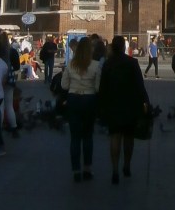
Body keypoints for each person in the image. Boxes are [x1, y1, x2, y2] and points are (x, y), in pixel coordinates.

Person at [98, 35, 148, 185]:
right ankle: (126, 165)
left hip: (113, 104)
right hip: (130, 104)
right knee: (128, 137)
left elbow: (103, 87)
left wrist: (101, 106)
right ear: (124, 47)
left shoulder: (108, 64)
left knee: (114, 137)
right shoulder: (132, 62)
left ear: (113, 47)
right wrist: (145, 102)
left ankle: (114, 169)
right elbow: (140, 85)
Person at [62, 36, 101, 182]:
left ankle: (76, 170)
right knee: (88, 136)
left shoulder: (71, 64)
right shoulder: (96, 65)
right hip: (89, 99)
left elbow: (64, 85)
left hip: (73, 99)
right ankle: (87, 169)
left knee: (75, 137)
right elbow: (98, 87)